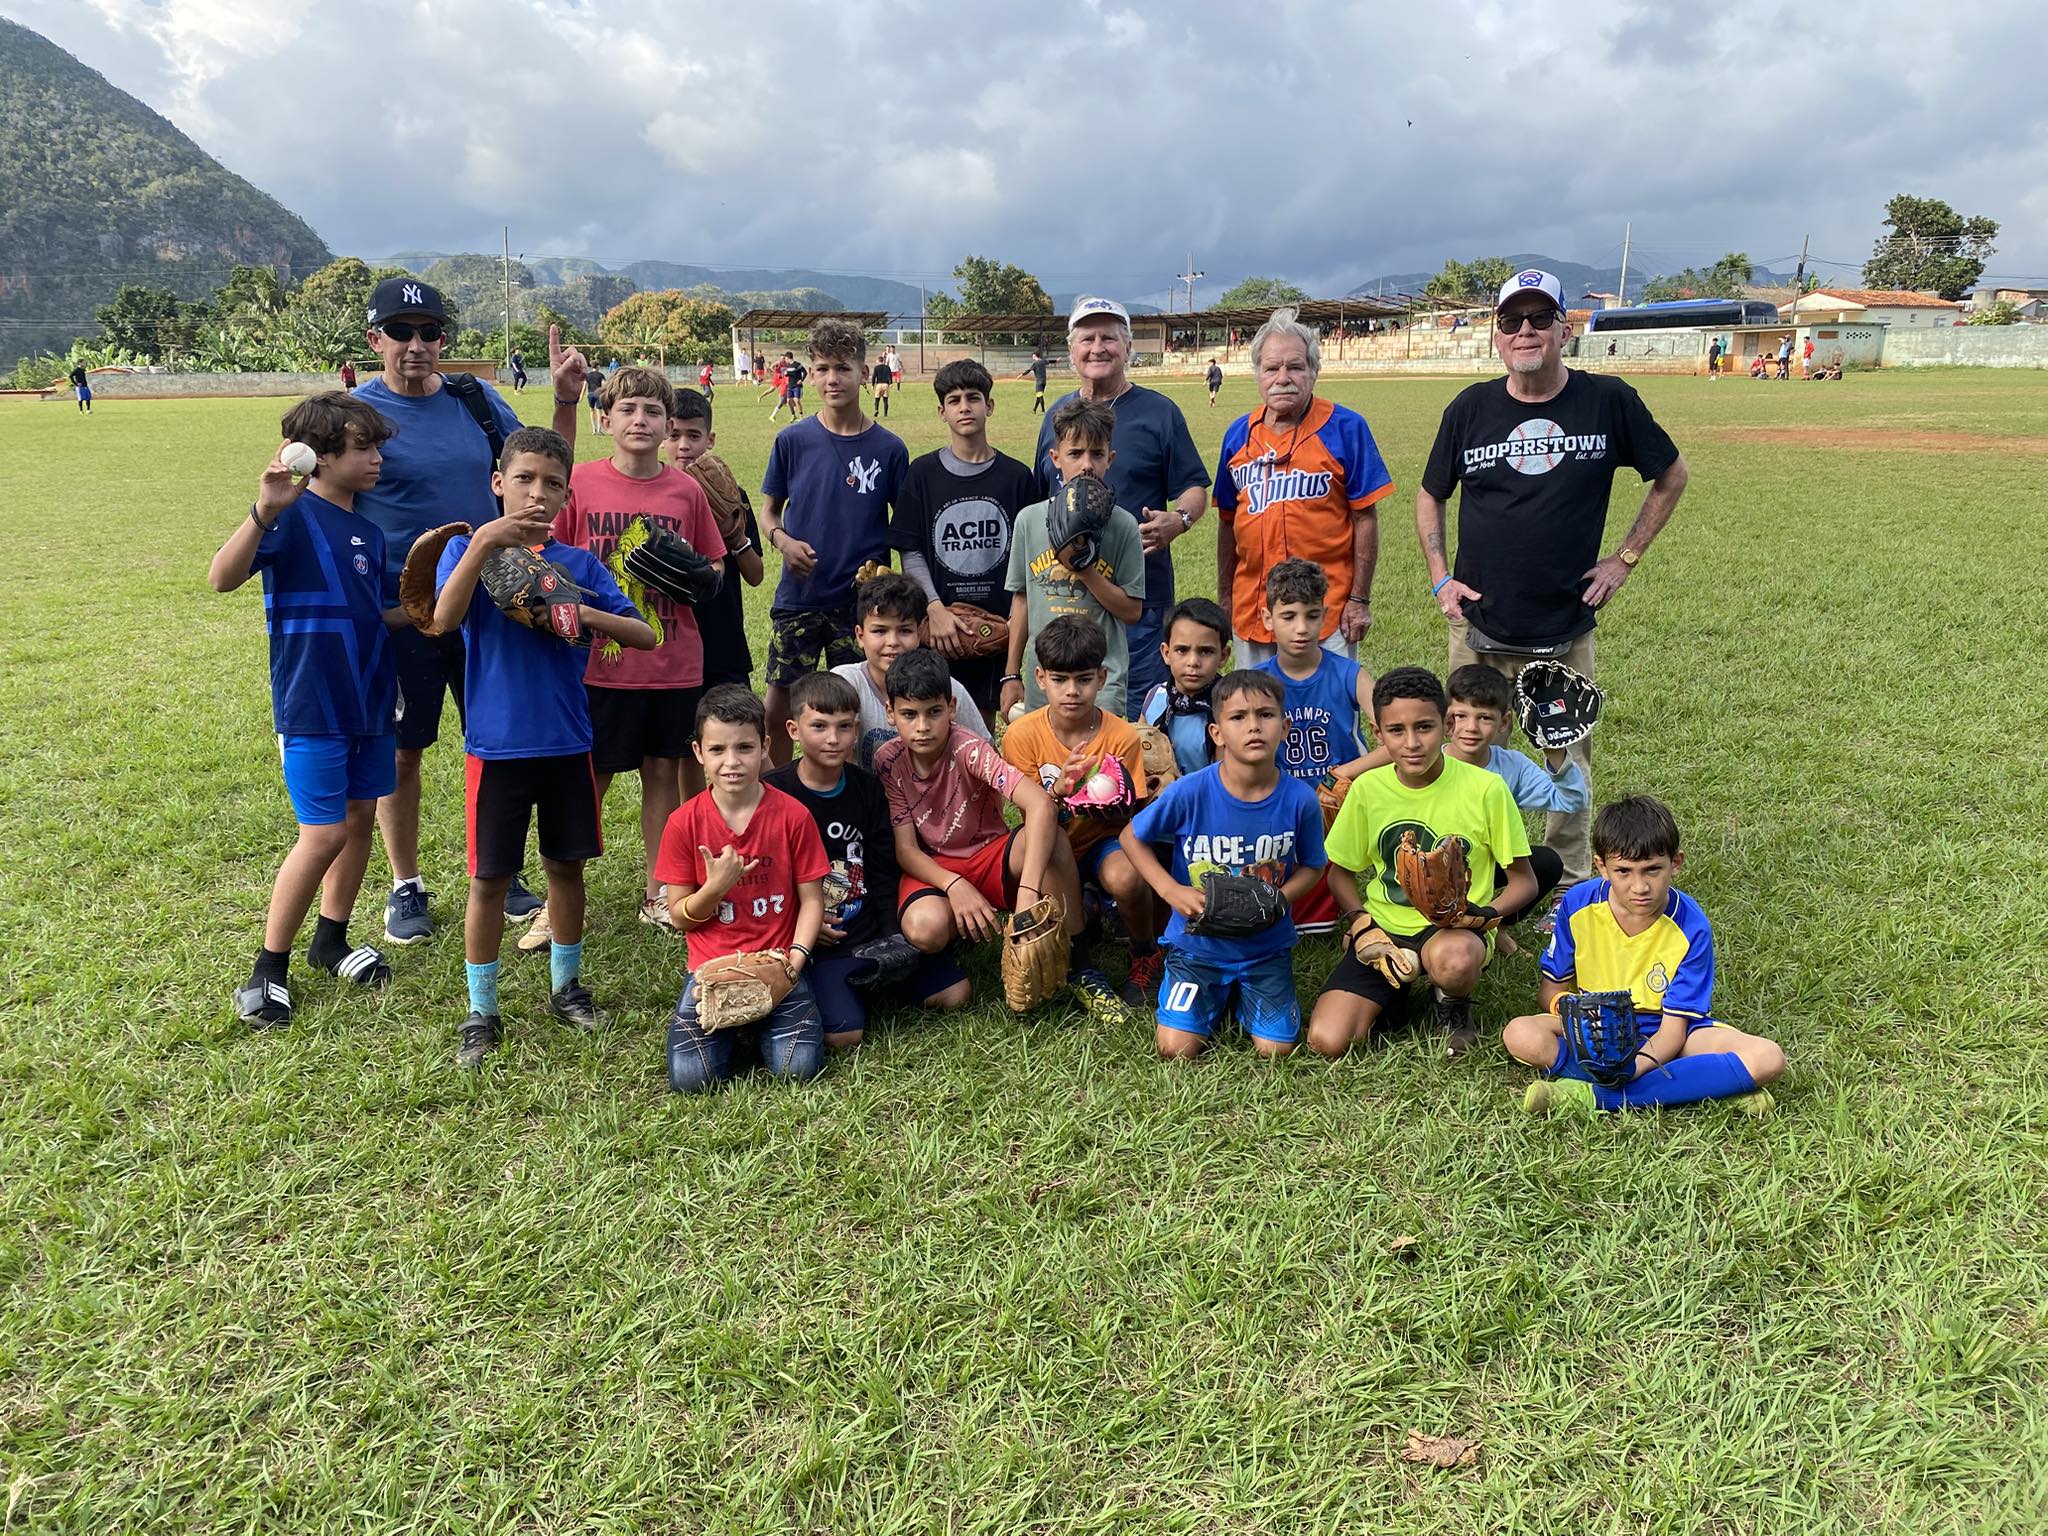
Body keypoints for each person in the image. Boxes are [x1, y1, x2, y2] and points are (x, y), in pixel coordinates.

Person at [1415, 267, 1687, 888]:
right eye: (1512, 321)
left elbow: (1671, 474)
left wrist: (1625, 558)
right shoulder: (1470, 409)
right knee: (1467, 750)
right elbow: (1430, 496)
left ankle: (1564, 880)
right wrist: (1440, 577)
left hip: (1563, 627)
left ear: (1566, 328)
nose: (1526, 331)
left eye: (1540, 318)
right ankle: (1477, 871)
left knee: (1566, 759)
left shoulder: (1608, 400)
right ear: (1497, 335)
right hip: (1479, 626)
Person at [352, 277, 585, 945]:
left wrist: (566, 398)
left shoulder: (475, 400)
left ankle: (499, 870)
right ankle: (406, 886)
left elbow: (545, 462)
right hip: (401, 616)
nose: (417, 345)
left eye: (430, 332)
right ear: (376, 340)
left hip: (490, 603)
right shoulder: (356, 414)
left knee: (495, 740)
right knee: (404, 751)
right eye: (401, 332)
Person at [429, 427, 655, 1068]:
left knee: (565, 869)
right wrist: (482, 544)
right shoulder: (465, 553)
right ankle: (482, 1010)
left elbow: (641, 633)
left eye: (552, 482)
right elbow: (444, 619)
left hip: (566, 742)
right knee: (490, 880)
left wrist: (583, 615)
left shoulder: (579, 565)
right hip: (496, 747)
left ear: (566, 494)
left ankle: (566, 987)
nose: (537, 492)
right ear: (498, 483)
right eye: (524, 478)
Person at [208, 393, 402, 1028]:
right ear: (317, 458)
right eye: (363, 448)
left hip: (371, 699)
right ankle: (268, 968)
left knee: (359, 818)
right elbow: (221, 577)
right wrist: (262, 512)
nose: (377, 458)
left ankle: (331, 939)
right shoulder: (287, 515)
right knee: (322, 835)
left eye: (377, 446)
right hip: (312, 704)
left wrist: (444, 603)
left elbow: (380, 613)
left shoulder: (370, 532)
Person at [547, 365, 726, 938]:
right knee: (588, 779)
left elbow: (713, 566)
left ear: (668, 422)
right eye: (627, 410)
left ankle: (657, 892)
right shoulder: (581, 483)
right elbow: (555, 563)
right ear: (606, 419)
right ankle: (559, 897)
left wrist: (701, 576)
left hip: (673, 661)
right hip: (598, 664)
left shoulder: (685, 489)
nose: (641, 420)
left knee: (662, 776)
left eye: (653, 411)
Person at [1309, 666, 1536, 1060]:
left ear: (1446, 724)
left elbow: (1524, 882)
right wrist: (1360, 923)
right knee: (1329, 1040)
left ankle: (1452, 1004)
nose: (1412, 743)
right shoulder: (1367, 789)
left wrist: (1484, 916)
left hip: (1451, 931)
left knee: (1456, 959)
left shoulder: (1486, 789)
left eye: (1425, 727)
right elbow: (1341, 874)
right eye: (1396, 731)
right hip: (1386, 929)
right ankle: (1395, 993)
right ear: (1377, 734)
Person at [1506, 795, 1784, 1115]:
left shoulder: (1691, 925)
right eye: (1624, 871)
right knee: (1520, 1034)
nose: (1639, 886)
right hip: (1597, 1027)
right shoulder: (1577, 905)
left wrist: (1633, 1068)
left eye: (1652, 870)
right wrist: (1578, 1014)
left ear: (1675, 863)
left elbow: (1673, 1031)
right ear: (1602, 867)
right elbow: (1550, 992)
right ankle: (1708, 1086)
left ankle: (1593, 1097)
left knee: (1768, 1057)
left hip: (1671, 1034)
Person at [876, 648, 1117, 1015]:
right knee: (924, 928)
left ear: (952, 708)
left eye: (934, 712)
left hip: (990, 853)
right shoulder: (888, 761)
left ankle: (1080, 964)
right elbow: (907, 850)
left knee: (1052, 839)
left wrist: (1026, 896)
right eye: (909, 714)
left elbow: (1039, 804)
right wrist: (955, 886)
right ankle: (962, 939)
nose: (923, 726)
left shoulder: (970, 749)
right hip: (935, 866)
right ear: (891, 713)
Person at [1119, 669, 1326, 1059]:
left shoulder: (1300, 800)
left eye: (1265, 716)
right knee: (1175, 1048)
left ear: (1284, 727)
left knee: (1277, 1050)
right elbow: (1131, 836)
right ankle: (1213, 993)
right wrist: (1169, 889)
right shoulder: (1190, 791)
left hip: (1265, 948)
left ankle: (1244, 993)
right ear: (1217, 734)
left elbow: (1313, 865)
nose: (1253, 727)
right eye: (1238, 717)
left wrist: (1282, 898)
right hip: (1196, 947)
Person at [767, 671, 968, 1048]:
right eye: (819, 726)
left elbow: (882, 867)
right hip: (817, 937)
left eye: (844, 727)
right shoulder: (776, 792)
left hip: (869, 927)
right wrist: (802, 924)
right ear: (793, 730)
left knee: (955, 994)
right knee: (844, 1034)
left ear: (856, 730)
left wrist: (892, 935)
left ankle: (875, 983)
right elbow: (770, 873)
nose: (833, 738)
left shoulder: (868, 788)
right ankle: (827, 985)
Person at [1033, 296, 1209, 709]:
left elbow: (1195, 487)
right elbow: (1041, 493)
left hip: (1138, 595)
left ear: (1127, 348)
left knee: (1133, 710)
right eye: (1087, 338)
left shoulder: (1159, 412)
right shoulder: (1057, 416)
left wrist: (1179, 519)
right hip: (1064, 592)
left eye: (1109, 338)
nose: (1098, 348)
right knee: (1067, 705)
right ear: (1072, 350)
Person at [656, 686, 828, 1091]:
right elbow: (681, 917)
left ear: (765, 746)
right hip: (710, 970)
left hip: (778, 962)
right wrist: (714, 888)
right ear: (699, 752)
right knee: (690, 1080)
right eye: (717, 750)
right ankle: (742, 1027)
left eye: (745, 748)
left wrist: (794, 964)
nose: (731, 762)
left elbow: (811, 901)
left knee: (797, 1071)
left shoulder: (793, 816)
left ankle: (762, 1020)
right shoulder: (684, 823)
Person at [760, 317, 908, 765]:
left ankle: (855, 792)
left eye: (843, 368)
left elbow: (903, 531)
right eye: (822, 368)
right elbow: (768, 511)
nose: (832, 379)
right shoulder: (793, 440)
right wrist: (782, 540)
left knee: (858, 710)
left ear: (865, 373)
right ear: (810, 372)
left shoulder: (889, 449)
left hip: (859, 604)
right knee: (778, 709)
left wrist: (890, 586)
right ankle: (785, 795)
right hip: (800, 597)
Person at [1215, 307, 1395, 667]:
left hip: (1324, 612)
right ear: (1257, 375)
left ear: (1314, 372)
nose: (1283, 377)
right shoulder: (1238, 436)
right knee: (1255, 714)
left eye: (1295, 366)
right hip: (1254, 609)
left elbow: (1365, 518)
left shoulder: (1346, 427)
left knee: (1327, 714)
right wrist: (1224, 600)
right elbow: (1226, 523)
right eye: (1271, 368)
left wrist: (1359, 600)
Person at [1001, 616, 1161, 1003]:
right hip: (1051, 848)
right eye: (1059, 679)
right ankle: (1079, 956)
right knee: (1048, 837)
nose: (1072, 691)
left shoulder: (1121, 736)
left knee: (1127, 877)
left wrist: (1110, 802)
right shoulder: (1021, 735)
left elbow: (1131, 819)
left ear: (1102, 678)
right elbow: (1031, 818)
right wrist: (1058, 792)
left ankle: (1145, 951)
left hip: (1102, 841)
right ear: (1040, 678)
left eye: (1084, 679)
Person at [890, 359, 1037, 711]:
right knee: (935, 717)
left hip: (997, 628)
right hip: (941, 627)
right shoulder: (922, 474)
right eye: (954, 400)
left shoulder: (1017, 477)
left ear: (989, 406)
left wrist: (1015, 629)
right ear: (942, 411)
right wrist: (934, 607)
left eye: (973, 397)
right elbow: (910, 549)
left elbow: (1029, 560)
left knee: (984, 726)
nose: (964, 407)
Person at [1255, 559, 1380, 933]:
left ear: (1325, 614)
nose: (1301, 628)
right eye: (1289, 616)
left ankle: (1356, 899)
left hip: (1341, 801)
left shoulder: (1349, 674)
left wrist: (1345, 773)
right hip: (1281, 801)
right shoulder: (1256, 682)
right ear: (1267, 618)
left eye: (1311, 615)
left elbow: (1396, 742)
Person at [1003, 399, 1145, 720]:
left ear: (1110, 459)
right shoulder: (1029, 520)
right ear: (1055, 458)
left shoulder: (1123, 526)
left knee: (1098, 768)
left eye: (1096, 454)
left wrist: (1082, 568)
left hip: (1101, 679)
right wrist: (1011, 674)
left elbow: (1132, 610)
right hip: (1045, 679)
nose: (1086, 464)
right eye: (1075, 453)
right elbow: (1022, 600)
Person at [665, 388, 765, 798]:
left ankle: (765, 821)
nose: (683, 445)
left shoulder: (731, 495)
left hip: (722, 644)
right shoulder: (651, 496)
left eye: (693, 434)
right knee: (686, 752)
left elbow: (757, 574)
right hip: (671, 647)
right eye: (673, 435)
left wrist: (734, 533)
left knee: (744, 736)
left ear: (711, 439)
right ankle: (693, 824)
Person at [1443, 664, 1581, 952]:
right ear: (1446, 720)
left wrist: (1552, 745)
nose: (1470, 727)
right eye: (1461, 716)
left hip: (1488, 864)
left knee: (1545, 862)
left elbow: (1569, 800)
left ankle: (1497, 926)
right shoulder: (1432, 762)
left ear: (1504, 723)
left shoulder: (1511, 765)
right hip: (1439, 865)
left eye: (1484, 718)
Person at [833, 571, 990, 769]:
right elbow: (829, 759)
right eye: (880, 631)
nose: (893, 642)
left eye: (905, 630)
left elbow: (985, 757)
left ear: (919, 634)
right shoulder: (845, 683)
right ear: (860, 636)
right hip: (865, 799)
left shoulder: (946, 688)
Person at [1139, 596, 1229, 777]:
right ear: (1166, 653)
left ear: (1223, 655)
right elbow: (1140, 751)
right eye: (1182, 650)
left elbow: (1228, 779)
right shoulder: (1155, 697)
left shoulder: (1230, 707)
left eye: (1206, 651)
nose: (1193, 662)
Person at [1018, 347, 1050, 414]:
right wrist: (1057, 361)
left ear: (1035, 355)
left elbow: (1028, 370)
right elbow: (1050, 361)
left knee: (1040, 396)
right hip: (1044, 381)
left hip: (1039, 382)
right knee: (1038, 396)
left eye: (1033, 355)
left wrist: (1021, 375)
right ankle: (1034, 409)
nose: (1032, 356)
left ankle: (1043, 411)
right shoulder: (1042, 361)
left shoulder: (1035, 363)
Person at [869, 350, 893, 416]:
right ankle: (885, 414)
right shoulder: (887, 367)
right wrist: (891, 383)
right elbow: (889, 375)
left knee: (877, 399)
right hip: (885, 385)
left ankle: (876, 410)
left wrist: (872, 384)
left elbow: (874, 376)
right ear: (883, 360)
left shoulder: (876, 368)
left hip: (879, 385)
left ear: (878, 360)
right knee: (885, 400)